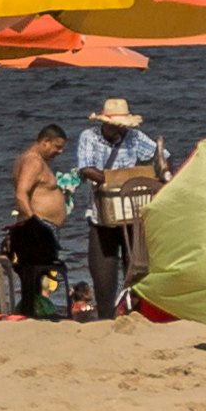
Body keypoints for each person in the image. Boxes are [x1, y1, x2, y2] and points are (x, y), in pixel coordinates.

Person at [66, 97, 164, 314]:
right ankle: (106, 316)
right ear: (105, 123)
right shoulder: (89, 137)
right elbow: (86, 168)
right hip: (103, 214)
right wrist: (113, 179)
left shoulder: (135, 137)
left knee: (137, 269)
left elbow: (162, 156)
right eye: (115, 126)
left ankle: (135, 313)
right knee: (103, 274)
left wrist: (153, 174)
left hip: (131, 212)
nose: (119, 131)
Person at [3, 122, 74, 318]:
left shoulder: (28, 160)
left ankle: (34, 309)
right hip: (38, 227)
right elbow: (21, 194)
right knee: (36, 274)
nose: (59, 152)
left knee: (36, 277)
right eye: (57, 147)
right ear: (44, 142)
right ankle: (32, 312)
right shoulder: (33, 161)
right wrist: (35, 223)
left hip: (40, 226)